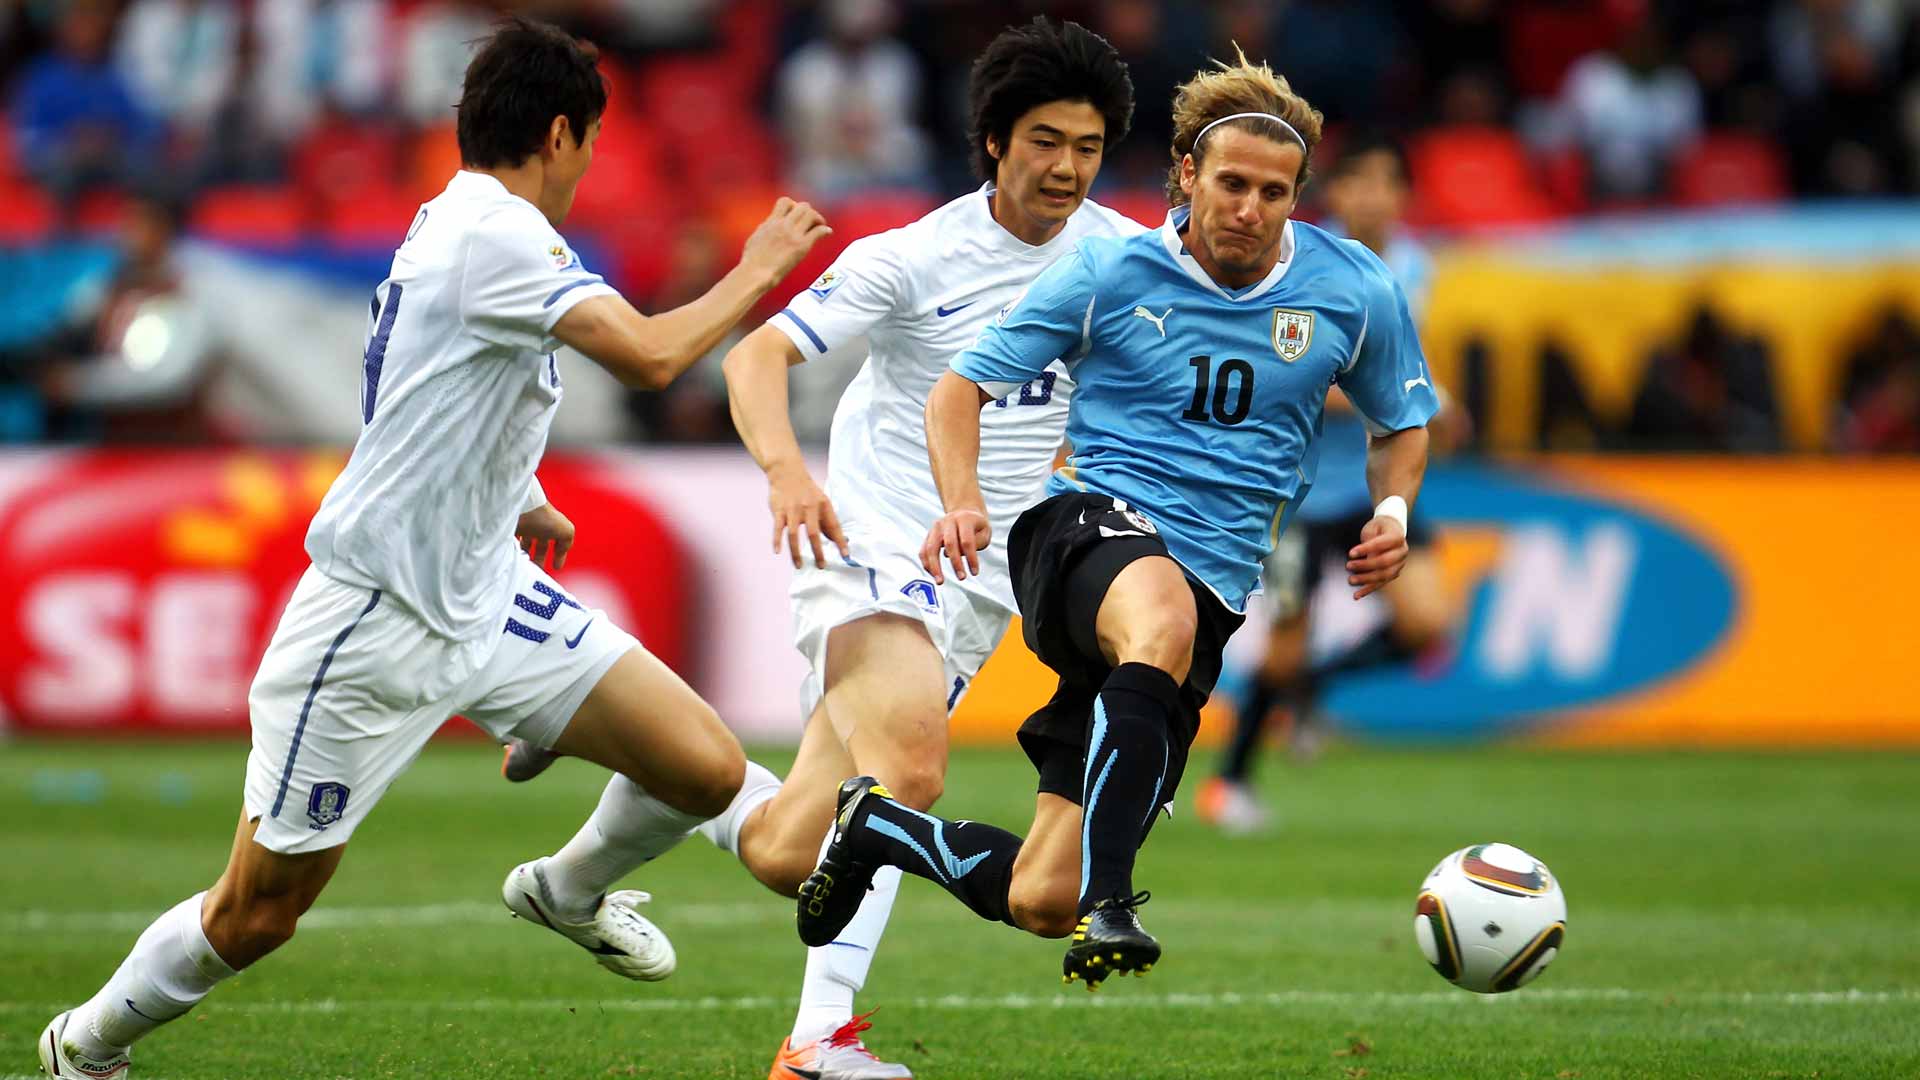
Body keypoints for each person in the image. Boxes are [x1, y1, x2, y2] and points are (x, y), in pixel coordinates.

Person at [36, 18, 828, 1079]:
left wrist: (518, 493)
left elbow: (432, 393)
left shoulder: (450, 224)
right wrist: (758, 268)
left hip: (485, 592)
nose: (589, 167)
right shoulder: (496, 236)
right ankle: (85, 1046)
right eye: (587, 143)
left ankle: (566, 889)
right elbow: (648, 357)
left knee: (701, 766)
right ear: (559, 133)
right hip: (375, 622)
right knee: (259, 911)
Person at [508, 17, 1138, 1079]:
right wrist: (789, 474)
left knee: (792, 847)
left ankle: (604, 784)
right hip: (875, 541)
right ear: (993, 140)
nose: (1065, 167)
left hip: (983, 577)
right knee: (907, 778)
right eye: (1043, 141)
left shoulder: (1122, 256)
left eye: (1084, 146)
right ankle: (819, 1044)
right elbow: (758, 357)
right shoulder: (915, 256)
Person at [793, 50, 1437, 999]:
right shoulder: (1109, 269)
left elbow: (1402, 422)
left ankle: (879, 827)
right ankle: (1118, 899)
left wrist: (1392, 507)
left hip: (1215, 587)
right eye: (1230, 184)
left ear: (1300, 197)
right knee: (1159, 618)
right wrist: (963, 497)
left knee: (1039, 895)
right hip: (1086, 530)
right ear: (1186, 176)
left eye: (1272, 191)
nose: (1248, 209)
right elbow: (958, 387)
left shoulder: (1355, 289)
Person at [1196, 133, 1460, 832]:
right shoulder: (1298, 261)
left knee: (1428, 622)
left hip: (1375, 484)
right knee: (1284, 642)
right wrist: (1409, 400)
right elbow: (1303, 377)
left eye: (1387, 182)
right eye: (1360, 182)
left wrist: (1426, 405)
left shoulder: (1414, 267)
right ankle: (1228, 784)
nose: (1374, 196)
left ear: (1405, 196)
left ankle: (1310, 694)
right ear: (1334, 194)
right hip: (1298, 493)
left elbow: (1402, 366)